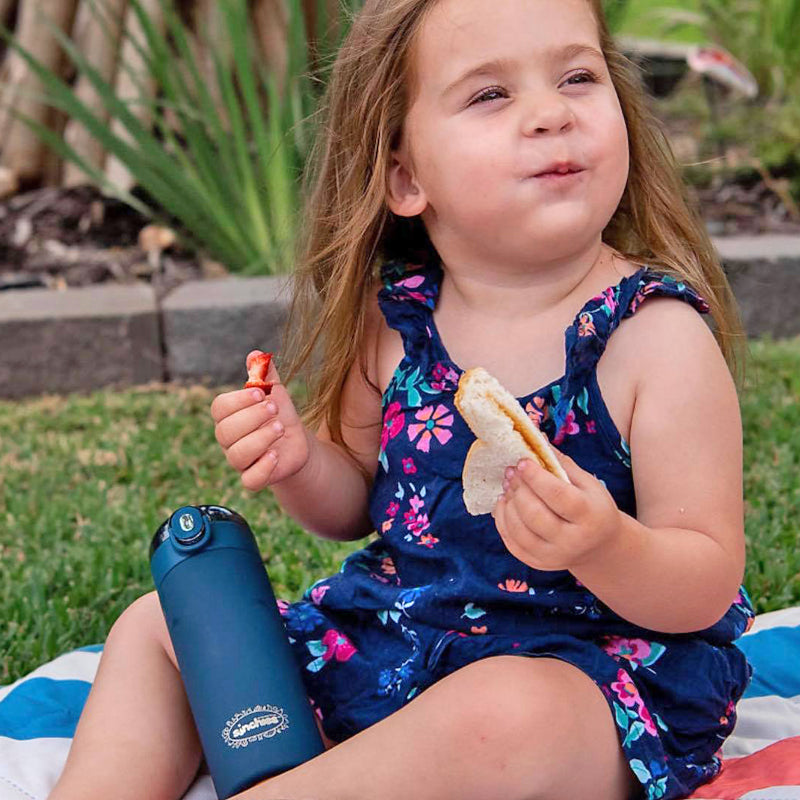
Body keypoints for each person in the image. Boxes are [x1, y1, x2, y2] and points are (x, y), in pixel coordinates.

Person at [49, 0, 756, 798]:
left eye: (577, 77)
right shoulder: (397, 322)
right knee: (159, 625)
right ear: (406, 178)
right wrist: (298, 460)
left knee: (508, 714)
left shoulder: (655, 337)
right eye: (491, 94)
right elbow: (353, 503)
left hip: (582, 682)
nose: (551, 113)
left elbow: (704, 581)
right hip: (394, 642)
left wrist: (605, 545)